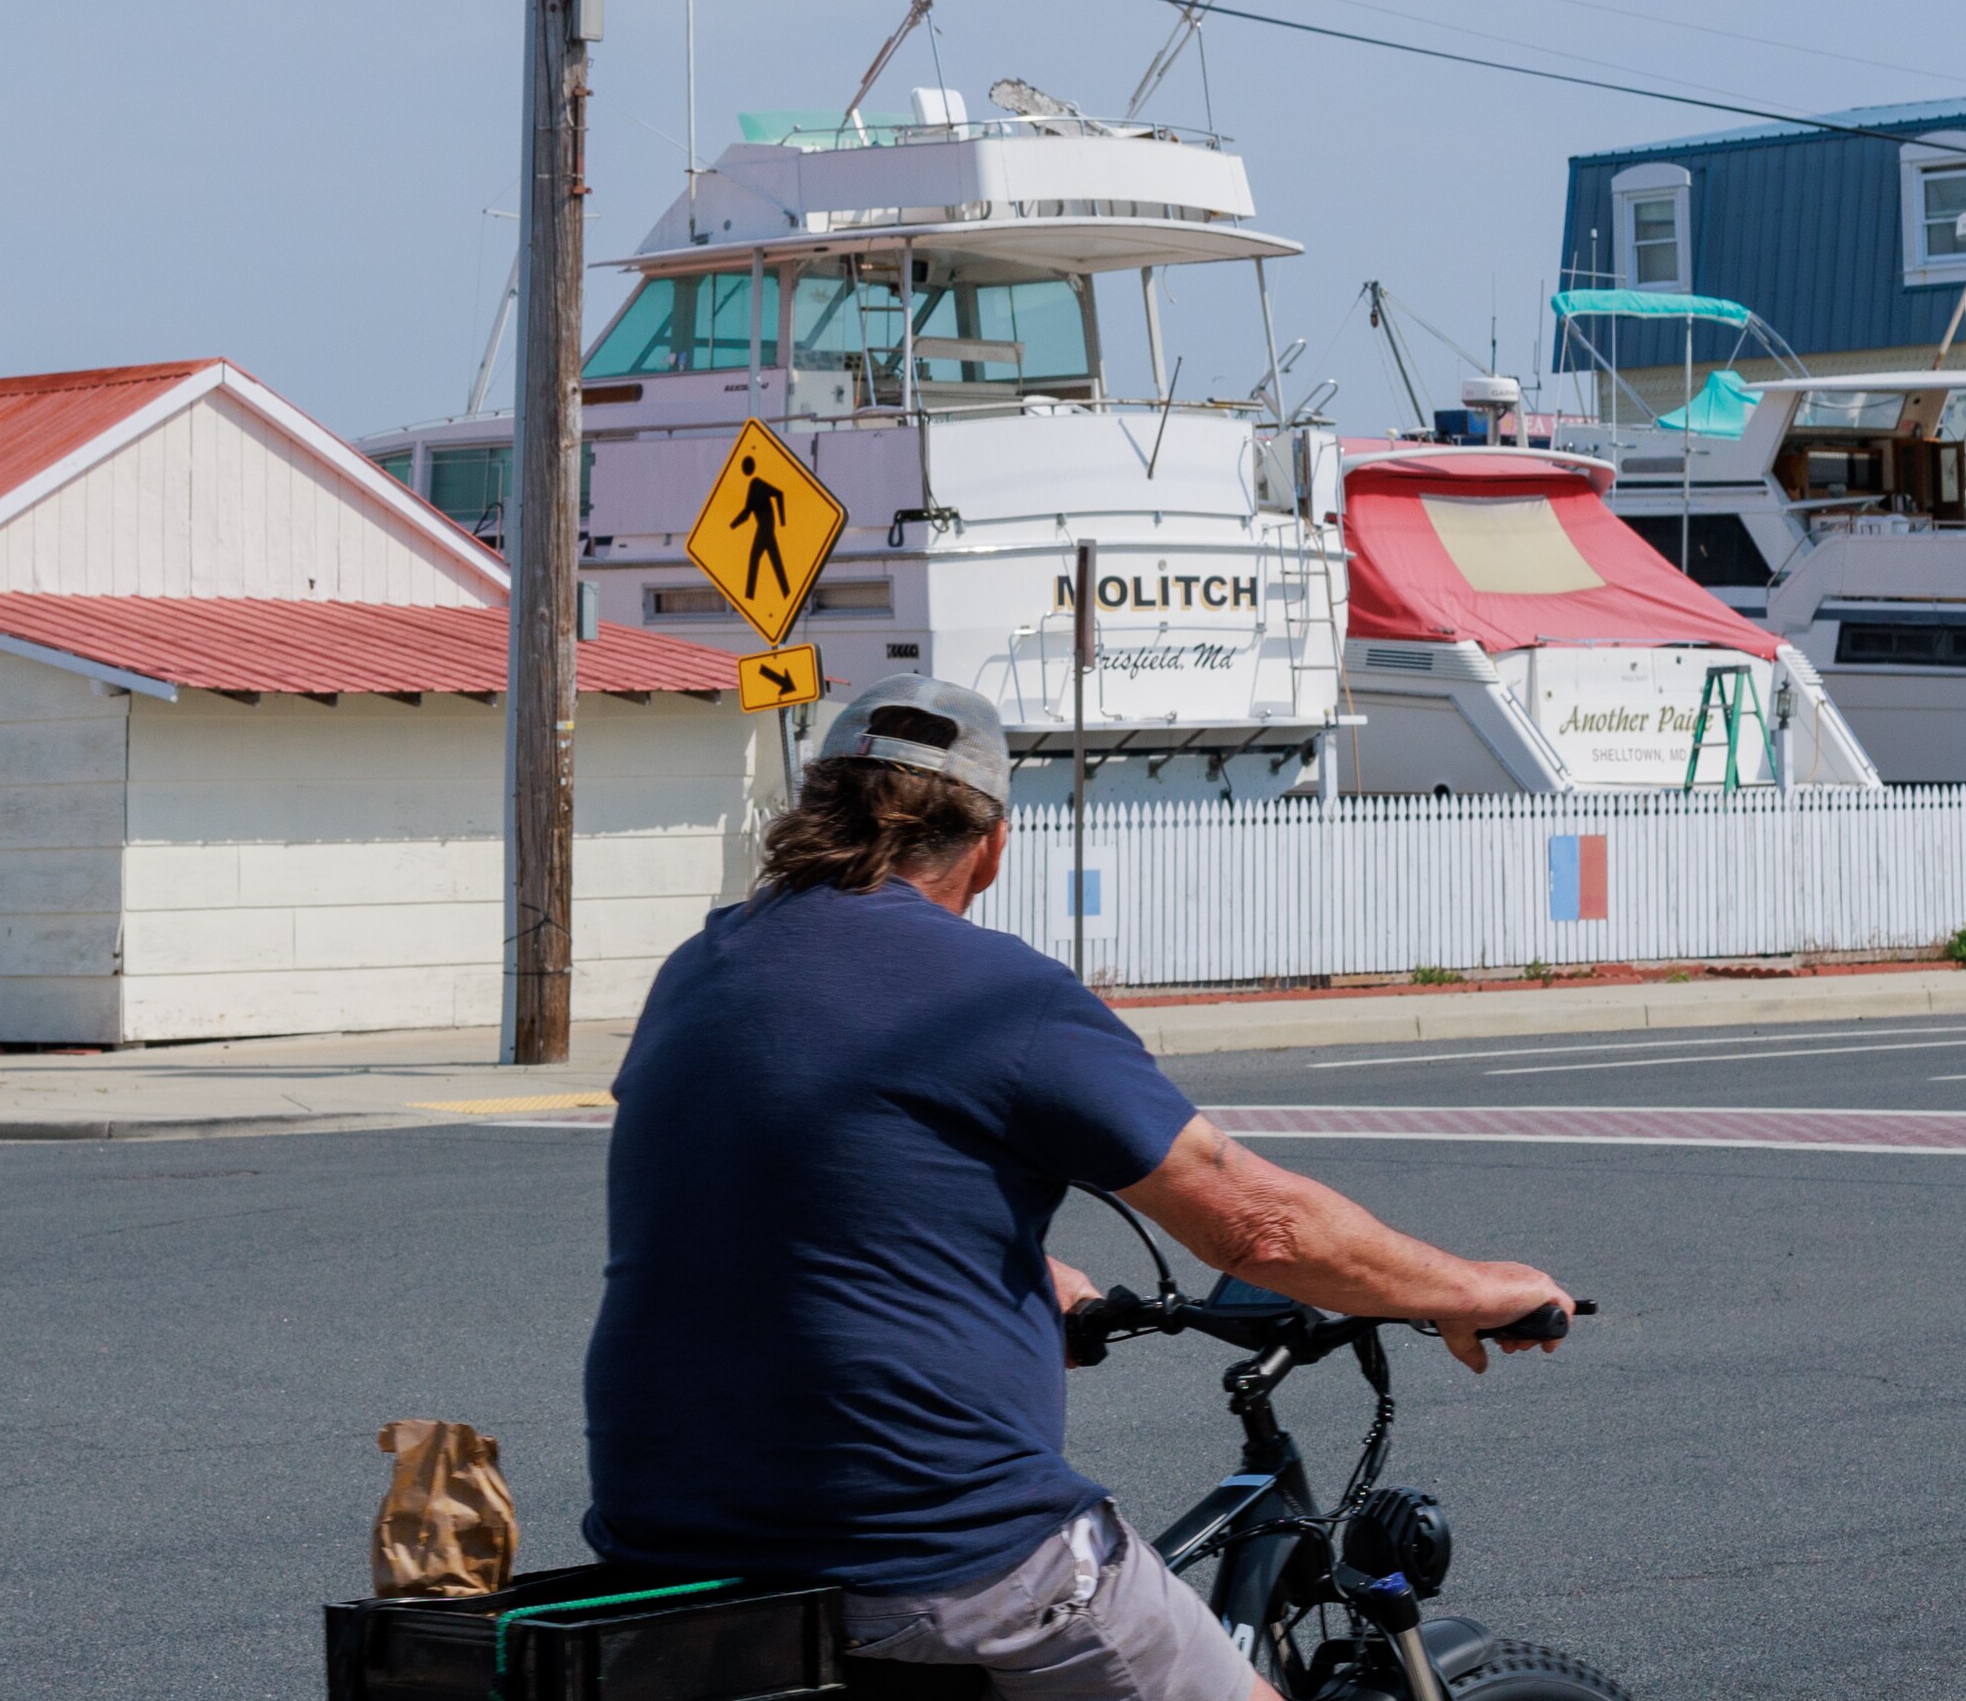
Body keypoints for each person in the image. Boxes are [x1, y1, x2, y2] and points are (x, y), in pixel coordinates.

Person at [585, 674, 1571, 1701]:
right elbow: (1258, 1227)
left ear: (812, 809)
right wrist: (1473, 1288)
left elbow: (780, 1180)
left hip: (666, 1532)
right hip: (932, 1546)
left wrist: (995, 1266)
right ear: (992, 846)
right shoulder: (995, 995)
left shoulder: (701, 967)